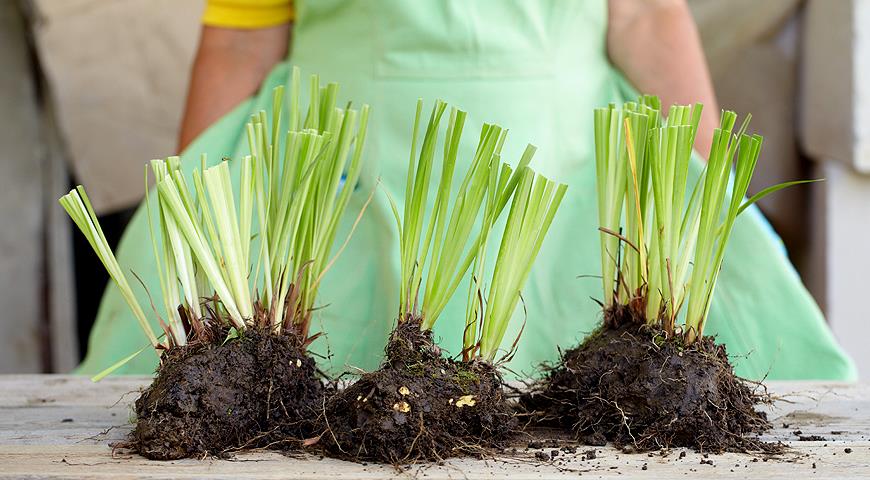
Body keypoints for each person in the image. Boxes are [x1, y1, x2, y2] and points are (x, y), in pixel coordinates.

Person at [77, 0, 855, 380]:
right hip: (331, 199)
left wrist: (707, 202)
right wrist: (196, 226)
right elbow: (242, 37)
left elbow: (648, 16)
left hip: (571, 190)